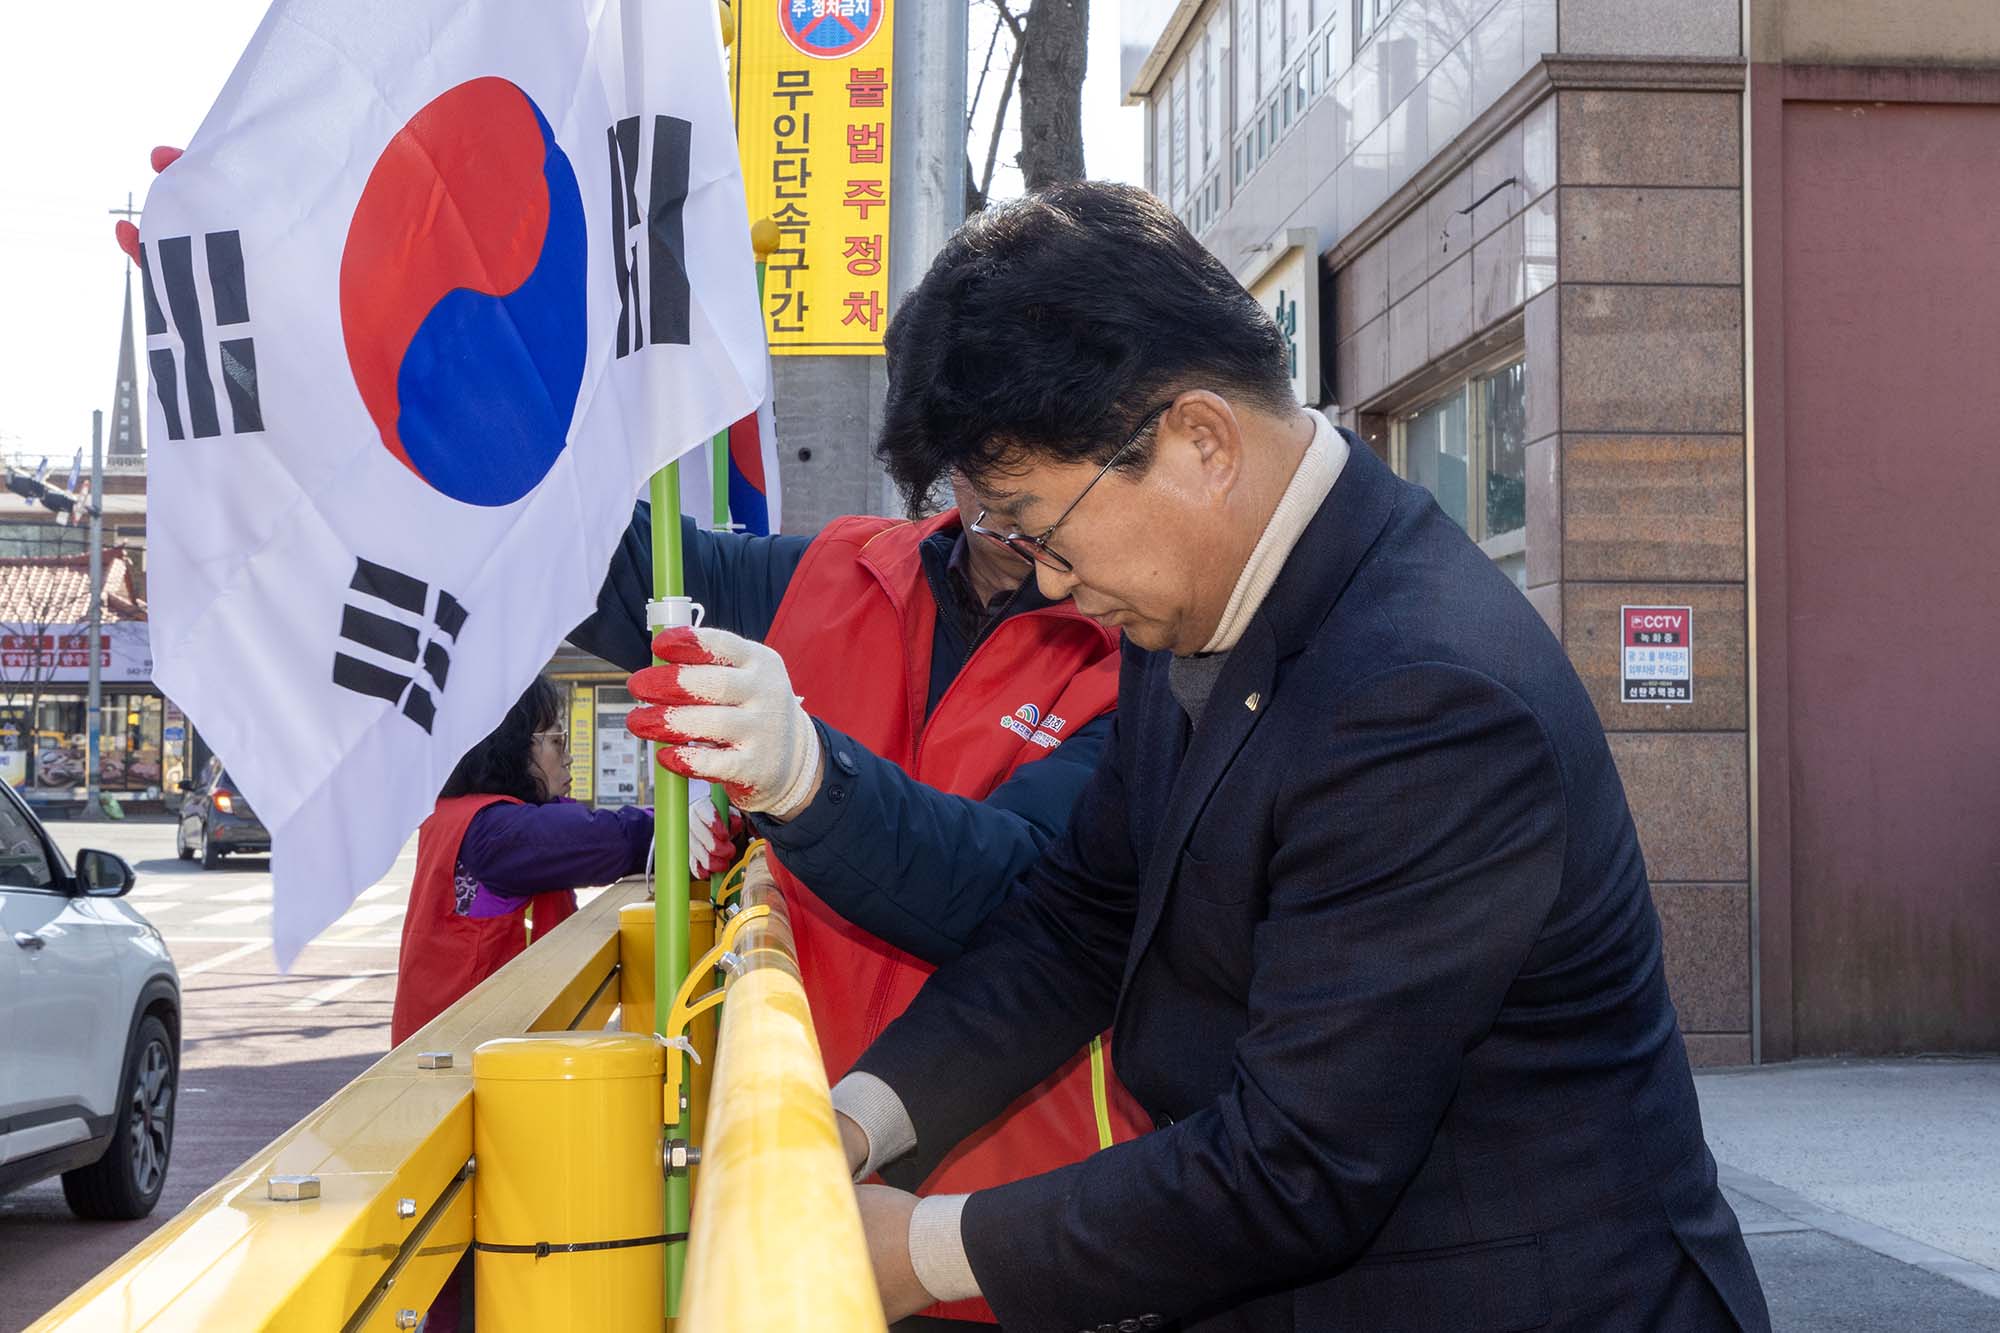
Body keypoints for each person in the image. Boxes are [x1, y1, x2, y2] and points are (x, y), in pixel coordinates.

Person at [824, 182, 1773, 1332]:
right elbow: (1079, 918)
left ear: (1199, 442)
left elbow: (1296, 1166)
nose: (1043, 579)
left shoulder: (1424, 695)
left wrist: (921, 1248)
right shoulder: (1191, 595)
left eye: (1040, 526)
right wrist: (861, 1117)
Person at [569, 480, 1152, 1324]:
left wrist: (802, 778)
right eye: (991, 470)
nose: (1019, 518)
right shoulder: (834, 571)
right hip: (816, 1188)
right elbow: (597, 560)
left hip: (1027, 1230)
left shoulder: (1136, 633)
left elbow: (1028, 894)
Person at [388, 676, 651, 1046]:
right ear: (511, 747)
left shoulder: (458, 813)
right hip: (473, 1054)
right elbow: (609, 840)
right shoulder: (497, 830)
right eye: (557, 742)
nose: (569, 756)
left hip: (453, 1042)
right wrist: (678, 824)